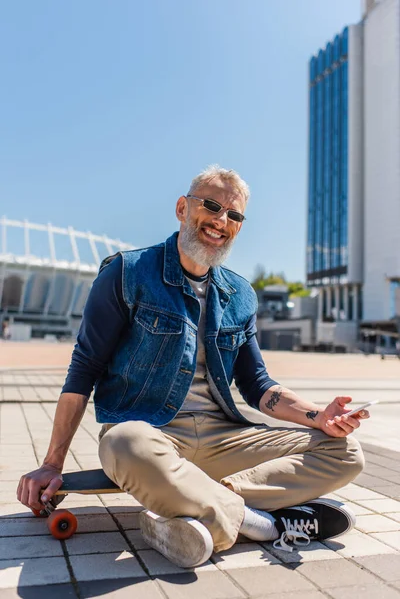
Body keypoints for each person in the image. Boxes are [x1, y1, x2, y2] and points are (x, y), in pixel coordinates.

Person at [18, 165, 367, 567]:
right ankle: (265, 525)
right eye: (212, 206)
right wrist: (52, 463)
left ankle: (192, 507)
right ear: (183, 208)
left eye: (234, 215)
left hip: (223, 440)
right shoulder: (128, 273)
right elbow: (83, 370)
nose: (221, 221)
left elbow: (257, 385)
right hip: (153, 436)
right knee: (122, 444)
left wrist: (318, 416)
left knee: (345, 452)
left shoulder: (240, 294)